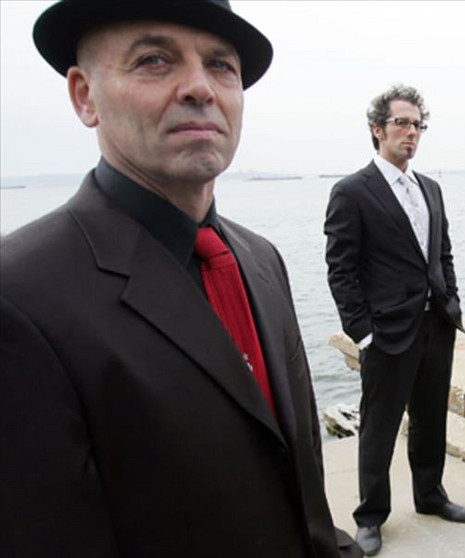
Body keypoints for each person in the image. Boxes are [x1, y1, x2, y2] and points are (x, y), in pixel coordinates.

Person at [0, 2, 362, 557]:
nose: (200, 88)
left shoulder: (261, 260)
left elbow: (303, 484)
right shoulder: (19, 295)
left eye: (221, 66)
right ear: (85, 96)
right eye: (154, 60)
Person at [324, 85, 465, 556]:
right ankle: (370, 516)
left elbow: (442, 254)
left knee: (431, 419)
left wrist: (450, 300)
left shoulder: (431, 188)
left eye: (417, 125)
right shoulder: (352, 191)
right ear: (378, 129)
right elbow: (341, 269)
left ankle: (430, 496)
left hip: (435, 325)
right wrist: (363, 332)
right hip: (386, 333)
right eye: (401, 123)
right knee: (379, 426)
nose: (411, 132)